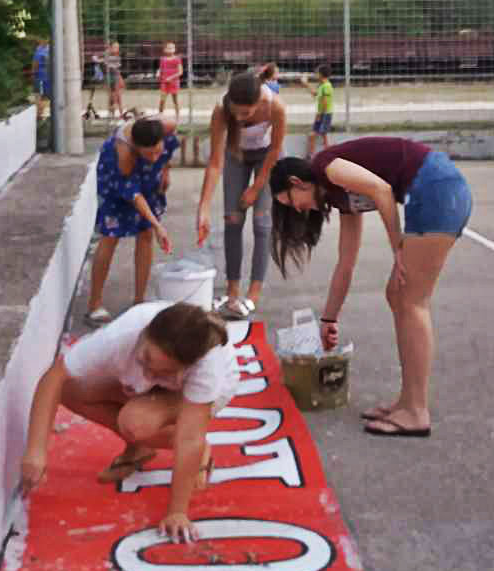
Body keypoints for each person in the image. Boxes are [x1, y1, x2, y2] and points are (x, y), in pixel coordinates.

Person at [268, 136, 472, 438]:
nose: (298, 211)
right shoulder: (341, 198)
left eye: (291, 202)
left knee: (411, 300)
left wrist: (397, 249)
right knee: (398, 296)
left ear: (297, 182)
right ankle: (407, 402)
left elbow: (382, 190)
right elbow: (345, 264)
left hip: (437, 189)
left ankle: (416, 411)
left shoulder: (326, 166)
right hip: (433, 191)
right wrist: (328, 319)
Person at [20, 300, 240, 542]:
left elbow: (190, 437)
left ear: (183, 368)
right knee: (71, 390)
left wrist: (177, 512)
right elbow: (55, 377)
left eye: (161, 372)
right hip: (148, 379)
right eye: (145, 359)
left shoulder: (208, 367)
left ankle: (198, 453)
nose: (147, 374)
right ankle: (141, 447)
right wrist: (35, 451)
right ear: (144, 333)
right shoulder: (122, 333)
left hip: (208, 392)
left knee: (135, 422)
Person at [195, 69, 288, 318]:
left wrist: (256, 188)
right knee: (232, 221)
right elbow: (215, 163)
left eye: (245, 114)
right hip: (236, 157)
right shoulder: (221, 110)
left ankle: (253, 295)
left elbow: (276, 149)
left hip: (266, 159)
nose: (239, 118)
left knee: (262, 224)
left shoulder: (275, 107)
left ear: (258, 103)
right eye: (235, 112)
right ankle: (233, 291)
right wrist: (203, 208)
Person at [85, 114, 178, 323]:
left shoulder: (167, 129)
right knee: (110, 237)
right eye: (149, 154)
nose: (155, 157)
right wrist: (158, 226)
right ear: (137, 149)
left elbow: (165, 154)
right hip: (115, 184)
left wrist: (164, 170)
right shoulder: (123, 155)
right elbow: (134, 196)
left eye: (157, 151)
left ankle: (139, 301)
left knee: (145, 234)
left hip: (148, 177)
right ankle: (94, 305)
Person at [301, 63, 334, 158]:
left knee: (313, 134)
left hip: (325, 114)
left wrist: (319, 115)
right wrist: (306, 84)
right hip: (323, 113)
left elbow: (325, 103)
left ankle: (312, 155)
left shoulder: (326, 86)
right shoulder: (322, 86)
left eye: (317, 73)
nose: (315, 75)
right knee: (323, 135)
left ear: (320, 74)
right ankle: (324, 152)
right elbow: (315, 94)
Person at [157, 41, 184, 116]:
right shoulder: (162, 59)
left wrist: (171, 78)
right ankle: (160, 116)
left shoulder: (177, 59)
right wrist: (158, 73)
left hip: (174, 83)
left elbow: (180, 72)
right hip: (164, 82)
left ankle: (177, 117)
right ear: (164, 49)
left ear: (175, 49)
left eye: (172, 48)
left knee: (175, 101)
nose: (171, 49)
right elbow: (161, 68)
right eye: (168, 48)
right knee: (162, 100)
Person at [105, 40, 126, 119]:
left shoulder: (117, 56)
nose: (116, 49)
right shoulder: (108, 56)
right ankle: (112, 114)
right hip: (111, 79)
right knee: (112, 98)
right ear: (110, 48)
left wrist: (120, 78)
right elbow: (110, 67)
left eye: (118, 47)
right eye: (114, 47)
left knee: (119, 97)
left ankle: (121, 115)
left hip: (116, 77)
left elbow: (117, 69)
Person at [31, 38, 51, 120]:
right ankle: (43, 112)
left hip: (40, 76)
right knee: (47, 95)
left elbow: (35, 64)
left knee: (39, 95)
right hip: (49, 76)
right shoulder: (50, 49)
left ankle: (39, 113)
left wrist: (33, 74)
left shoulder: (39, 51)